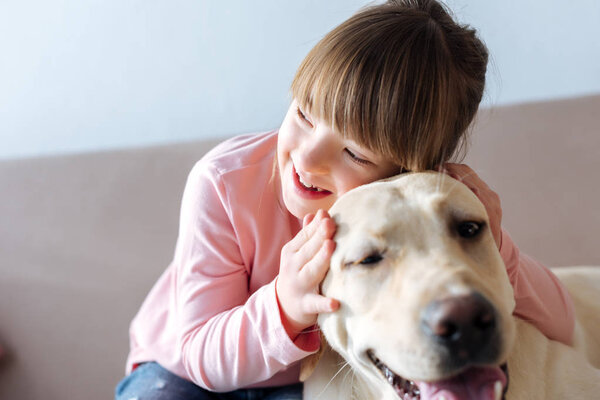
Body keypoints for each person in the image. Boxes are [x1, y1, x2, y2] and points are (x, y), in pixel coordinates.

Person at [115, 1, 574, 399]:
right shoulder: (224, 183)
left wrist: (493, 244)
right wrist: (285, 303)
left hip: (303, 382)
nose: (307, 156)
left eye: (355, 153)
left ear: (407, 172)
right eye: (303, 113)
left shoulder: (421, 207)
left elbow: (562, 320)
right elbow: (199, 352)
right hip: (181, 370)